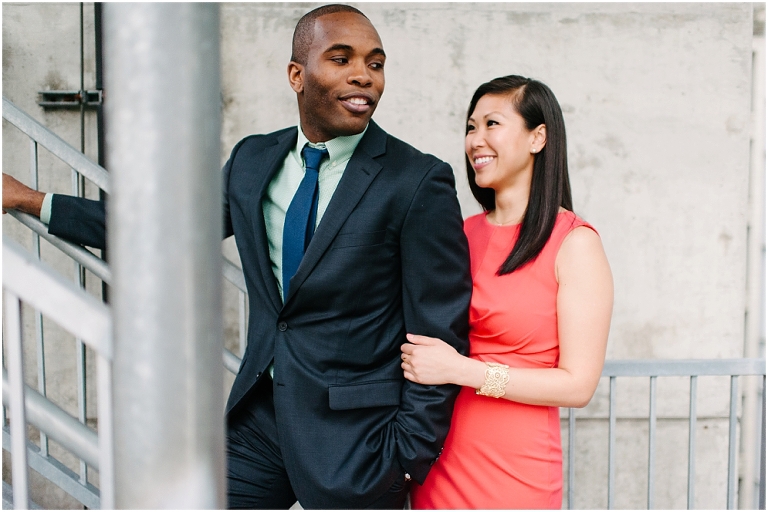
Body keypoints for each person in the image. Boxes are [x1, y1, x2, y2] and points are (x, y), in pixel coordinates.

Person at [3, 5, 472, 509]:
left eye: (375, 64)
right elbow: (162, 230)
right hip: (259, 420)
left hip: (360, 439)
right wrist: (32, 200)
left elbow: (439, 328)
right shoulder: (253, 160)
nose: (363, 75)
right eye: (341, 59)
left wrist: (407, 455)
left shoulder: (416, 180)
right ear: (297, 74)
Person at [401, 75, 613, 509]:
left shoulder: (575, 243)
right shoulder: (460, 234)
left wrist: (462, 370)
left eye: (492, 124)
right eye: (470, 127)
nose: (476, 139)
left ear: (538, 137)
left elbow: (578, 386)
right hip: (439, 463)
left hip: (517, 473)